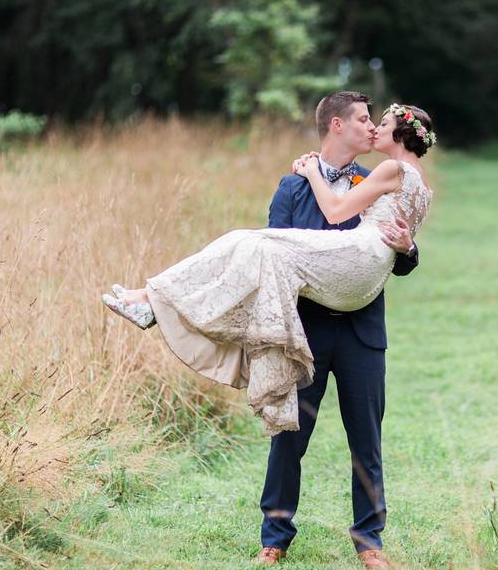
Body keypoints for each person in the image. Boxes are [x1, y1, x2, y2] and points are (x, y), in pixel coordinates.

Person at [101, 91, 434, 568]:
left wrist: (408, 247)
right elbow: (269, 259)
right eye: (363, 119)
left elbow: (396, 255)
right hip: (307, 330)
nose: (370, 127)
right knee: (288, 438)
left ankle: (370, 542)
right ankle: (275, 537)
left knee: (367, 440)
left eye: (375, 121)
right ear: (336, 126)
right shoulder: (292, 187)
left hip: (362, 332)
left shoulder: (373, 177)